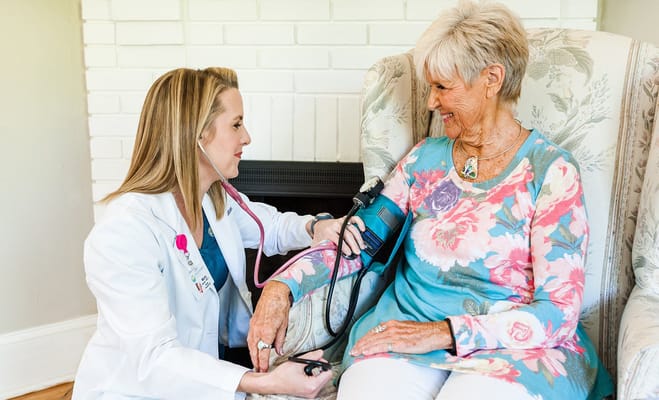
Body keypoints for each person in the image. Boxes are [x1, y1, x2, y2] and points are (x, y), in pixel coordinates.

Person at [248, 1, 615, 399]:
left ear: (491, 79)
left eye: (442, 87)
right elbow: (358, 242)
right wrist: (281, 287)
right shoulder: (424, 159)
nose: (430, 103)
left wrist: (443, 333)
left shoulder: (551, 172)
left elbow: (558, 312)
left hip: (510, 350)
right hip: (403, 328)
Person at [72, 67, 365, 399]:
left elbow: (271, 226)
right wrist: (266, 382)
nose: (247, 137)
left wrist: (316, 226)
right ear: (196, 135)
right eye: (237, 124)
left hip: (206, 380)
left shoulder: (212, 199)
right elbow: (155, 359)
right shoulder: (125, 231)